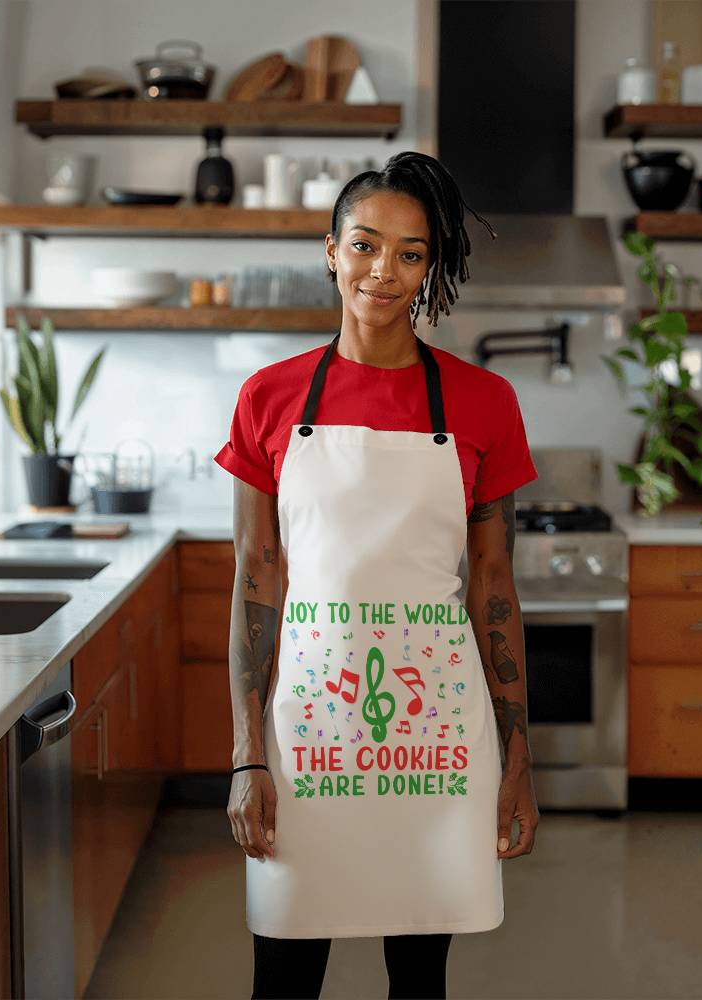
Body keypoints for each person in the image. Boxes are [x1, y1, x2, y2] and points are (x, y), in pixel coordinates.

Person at [214, 150, 540, 1000]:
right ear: (330, 250)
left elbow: (494, 590)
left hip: (438, 741)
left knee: (419, 980)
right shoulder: (268, 398)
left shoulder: (483, 402)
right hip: (305, 737)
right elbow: (257, 579)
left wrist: (517, 757)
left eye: (410, 253)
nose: (383, 273)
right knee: (283, 973)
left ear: (432, 267)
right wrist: (249, 757)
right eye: (364, 245)